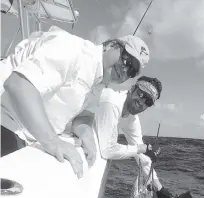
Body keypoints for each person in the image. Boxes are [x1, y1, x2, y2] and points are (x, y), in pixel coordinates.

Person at [0, 26, 149, 178]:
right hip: (7, 124)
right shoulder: (72, 48)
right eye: (126, 60)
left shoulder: (99, 82)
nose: (125, 70)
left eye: (131, 71)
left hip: (28, 137)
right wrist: (52, 141)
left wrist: (87, 136)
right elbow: (19, 85)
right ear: (111, 46)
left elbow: (84, 116)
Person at [71, 76, 173, 198]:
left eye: (148, 101)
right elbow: (107, 151)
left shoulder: (132, 119)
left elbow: (142, 157)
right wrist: (142, 148)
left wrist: (160, 188)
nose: (141, 102)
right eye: (141, 94)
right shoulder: (112, 101)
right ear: (132, 88)